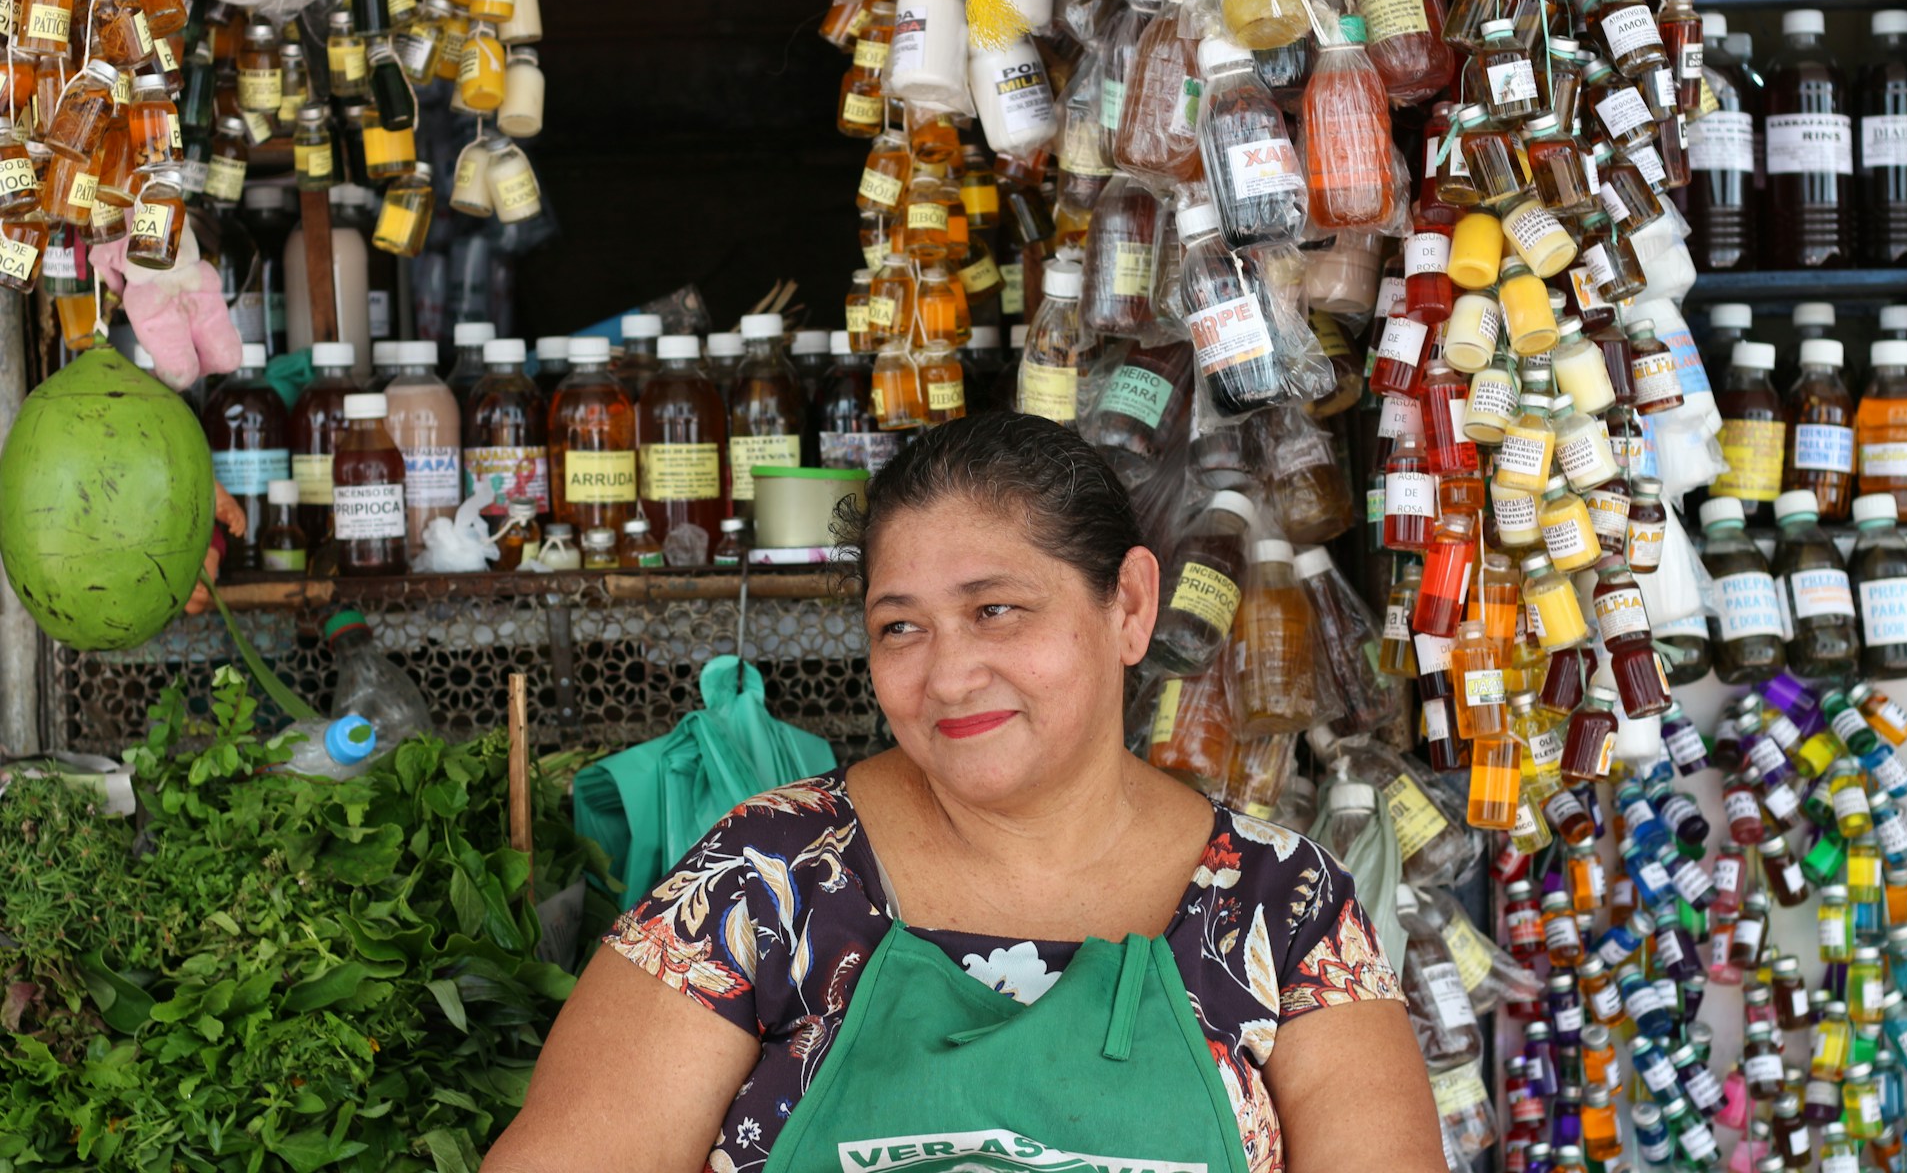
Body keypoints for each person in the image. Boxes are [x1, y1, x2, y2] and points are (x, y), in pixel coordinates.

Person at [482, 412, 1445, 1173]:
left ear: (1133, 606)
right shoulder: (767, 880)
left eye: (996, 610)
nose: (947, 678)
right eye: (901, 628)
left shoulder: (1286, 908)